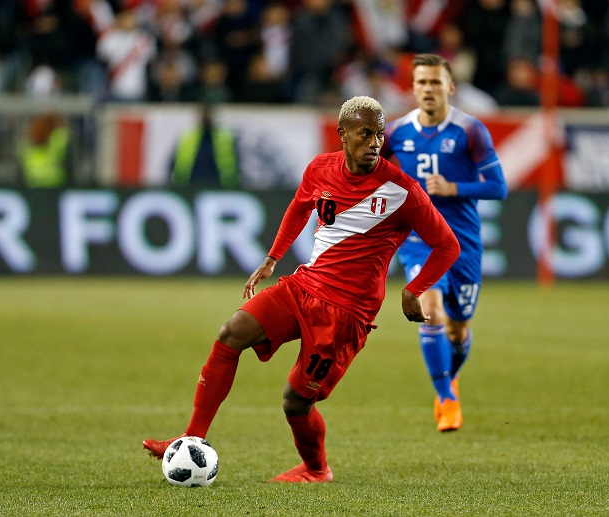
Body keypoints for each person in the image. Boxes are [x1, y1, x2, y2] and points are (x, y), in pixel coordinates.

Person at [143, 96, 460, 482]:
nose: (374, 143)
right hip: (304, 285)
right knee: (231, 334)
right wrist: (273, 258)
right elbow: (299, 206)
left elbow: (447, 245)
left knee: (295, 402)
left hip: (346, 314)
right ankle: (191, 437)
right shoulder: (320, 168)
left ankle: (316, 469)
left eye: (379, 135)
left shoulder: (402, 190)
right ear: (343, 135)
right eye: (365, 134)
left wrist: (414, 290)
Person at [384, 53, 508, 432]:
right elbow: (370, 175)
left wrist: (455, 188)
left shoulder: (470, 130)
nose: (428, 89)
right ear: (413, 87)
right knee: (430, 308)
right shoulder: (395, 132)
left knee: (457, 329)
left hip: (463, 240)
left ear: (450, 88)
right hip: (420, 240)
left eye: (435, 82)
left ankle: (448, 378)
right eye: (421, 82)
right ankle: (447, 398)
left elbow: (498, 186)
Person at [169, 103, 240, 188]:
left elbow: (234, 163)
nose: (206, 117)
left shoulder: (224, 137)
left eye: (208, 115)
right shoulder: (188, 137)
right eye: (204, 115)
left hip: (218, 186)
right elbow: (174, 162)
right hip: (191, 185)